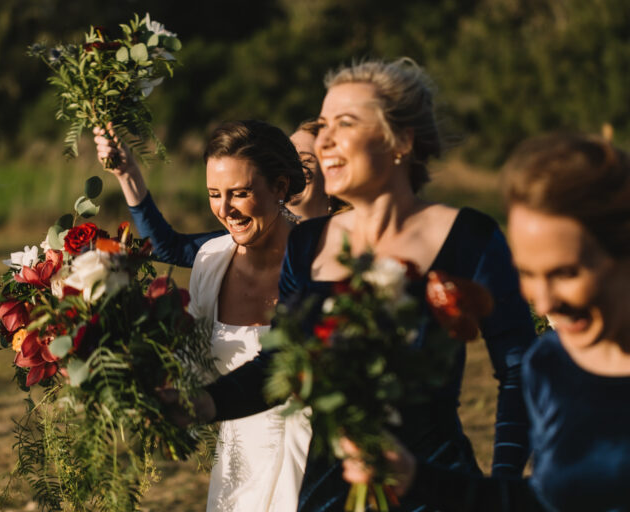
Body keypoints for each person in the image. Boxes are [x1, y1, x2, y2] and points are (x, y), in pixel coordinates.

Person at [172, 58, 536, 512]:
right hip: (328, 497)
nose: (324, 140)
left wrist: (501, 485)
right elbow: (280, 363)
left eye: (344, 123)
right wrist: (203, 403)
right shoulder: (308, 244)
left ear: (401, 140)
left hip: (435, 493)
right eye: (323, 125)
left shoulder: (470, 238)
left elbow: (520, 370)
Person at [342, 132, 630, 512]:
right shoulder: (549, 364)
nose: (543, 303)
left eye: (565, 273)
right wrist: (414, 478)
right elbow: (540, 502)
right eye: (527, 273)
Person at [106, 120, 314, 511]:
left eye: (240, 193)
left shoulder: (317, 259)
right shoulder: (211, 260)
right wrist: (122, 363)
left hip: (314, 462)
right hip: (240, 466)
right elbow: (193, 365)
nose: (224, 209)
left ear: (280, 187)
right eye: (214, 194)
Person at [93, 120, 335, 268]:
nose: (292, 164)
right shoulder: (229, 248)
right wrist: (128, 174)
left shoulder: (339, 254)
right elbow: (168, 248)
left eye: (305, 160)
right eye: (289, 152)